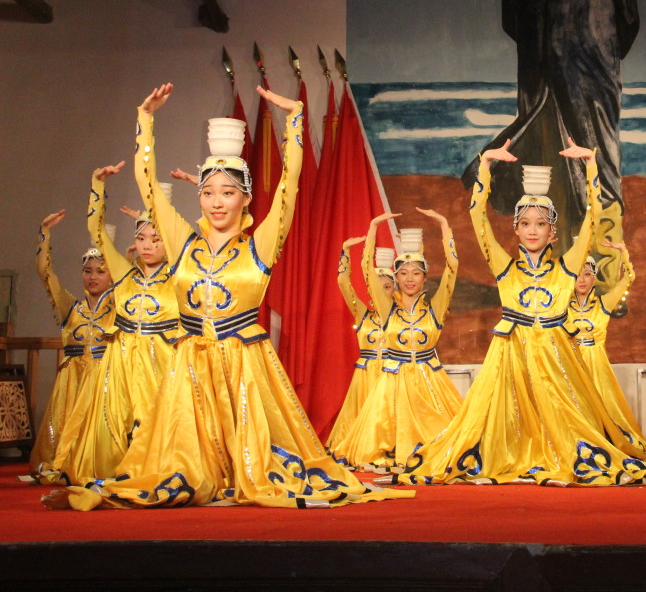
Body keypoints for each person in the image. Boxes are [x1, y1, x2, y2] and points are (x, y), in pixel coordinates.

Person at [44, 83, 413, 510]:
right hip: (190, 363)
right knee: (179, 469)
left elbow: (289, 186)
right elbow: (149, 189)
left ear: (246, 198)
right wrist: (146, 120)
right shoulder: (182, 242)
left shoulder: (260, 246)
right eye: (208, 193)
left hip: (244, 362)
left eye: (227, 192)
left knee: (255, 462)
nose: (217, 203)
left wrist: (295, 121)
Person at [403, 139, 646, 485]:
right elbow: (477, 219)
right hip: (510, 355)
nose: (533, 230)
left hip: (554, 356)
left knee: (565, 420)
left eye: (541, 224)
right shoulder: (504, 267)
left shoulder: (567, 267)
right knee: (506, 417)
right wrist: (485, 166)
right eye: (526, 223)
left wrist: (591, 165)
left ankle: (557, 454)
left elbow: (593, 219)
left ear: (552, 231)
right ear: (516, 228)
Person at [464, 0, 638, 283]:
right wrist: (547, 53)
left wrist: (590, 53)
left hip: (594, 83)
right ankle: (551, 277)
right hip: (538, 82)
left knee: (600, 171)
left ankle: (605, 277)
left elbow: (627, 23)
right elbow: (512, 19)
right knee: (544, 168)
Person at [49, 167, 181, 484]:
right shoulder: (123, 274)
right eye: (141, 238)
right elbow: (97, 231)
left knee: (158, 423)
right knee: (117, 422)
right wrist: (98, 185)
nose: (147, 245)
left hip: (162, 362)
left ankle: (157, 473)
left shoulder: (179, 277)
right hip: (122, 362)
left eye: (156, 239)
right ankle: (118, 471)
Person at [333, 209, 462, 471]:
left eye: (416, 273)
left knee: (447, 444)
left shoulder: (435, 308)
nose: (409, 279)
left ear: (425, 277)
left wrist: (443, 224)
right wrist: (373, 227)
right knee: (381, 438)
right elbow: (366, 271)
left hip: (428, 380)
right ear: (396, 278)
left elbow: (452, 268)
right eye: (403, 273)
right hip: (393, 381)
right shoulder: (387, 310)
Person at [28, 211, 115, 480]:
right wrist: (45, 233)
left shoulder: (118, 309)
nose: (93, 277)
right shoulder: (71, 308)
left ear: (112, 276)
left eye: (100, 271)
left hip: (101, 381)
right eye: (87, 271)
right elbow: (46, 274)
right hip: (71, 382)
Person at [565, 238, 646, 452]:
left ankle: (605, 447)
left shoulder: (604, 304)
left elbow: (629, 278)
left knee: (603, 406)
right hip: (572, 363)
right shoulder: (563, 307)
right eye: (577, 275)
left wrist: (623, 251)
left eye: (587, 274)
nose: (582, 280)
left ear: (594, 278)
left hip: (596, 363)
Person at [324, 235, 395, 453]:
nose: (381, 292)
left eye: (387, 287)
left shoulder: (401, 318)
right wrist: (346, 251)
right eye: (376, 287)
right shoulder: (362, 313)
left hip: (392, 374)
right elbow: (343, 283)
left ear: (395, 289)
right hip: (366, 376)